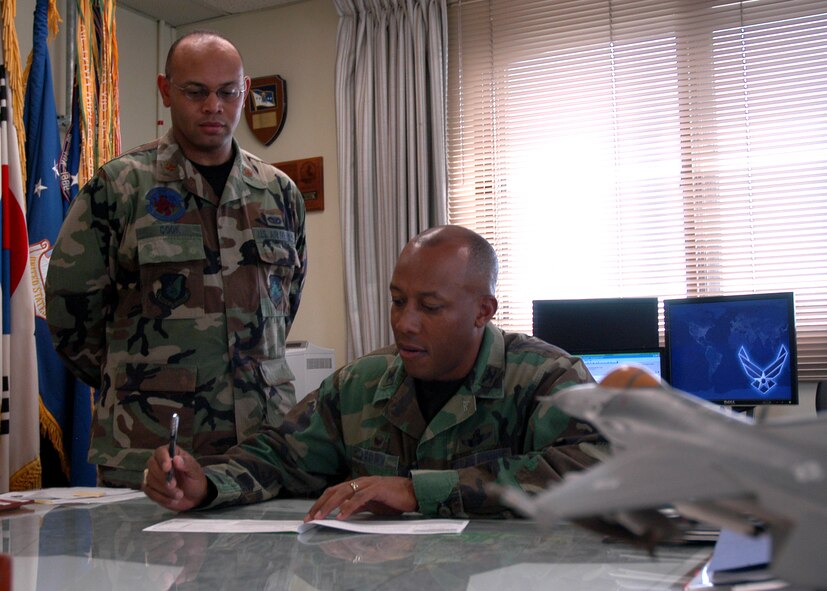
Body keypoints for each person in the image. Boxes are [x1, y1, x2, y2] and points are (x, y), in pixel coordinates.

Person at [143, 225, 600, 518]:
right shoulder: (360, 384)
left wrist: (421, 492)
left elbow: (600, 468)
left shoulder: (547, 380)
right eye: (397, 301)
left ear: (483, 311)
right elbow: (279, 457)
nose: (405, 322)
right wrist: (206, 484)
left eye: (430, 306)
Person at [45, 30, 307, 489]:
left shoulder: (278, 193)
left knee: (265, 564)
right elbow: (71, 318)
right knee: (145, 564)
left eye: (228, 92)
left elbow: (286, 306)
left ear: (244, 91)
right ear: (166, 90)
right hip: (150, 447)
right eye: (196, 92)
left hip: (262, 447)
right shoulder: (121, 187)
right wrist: (139, 377)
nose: (214, 106)